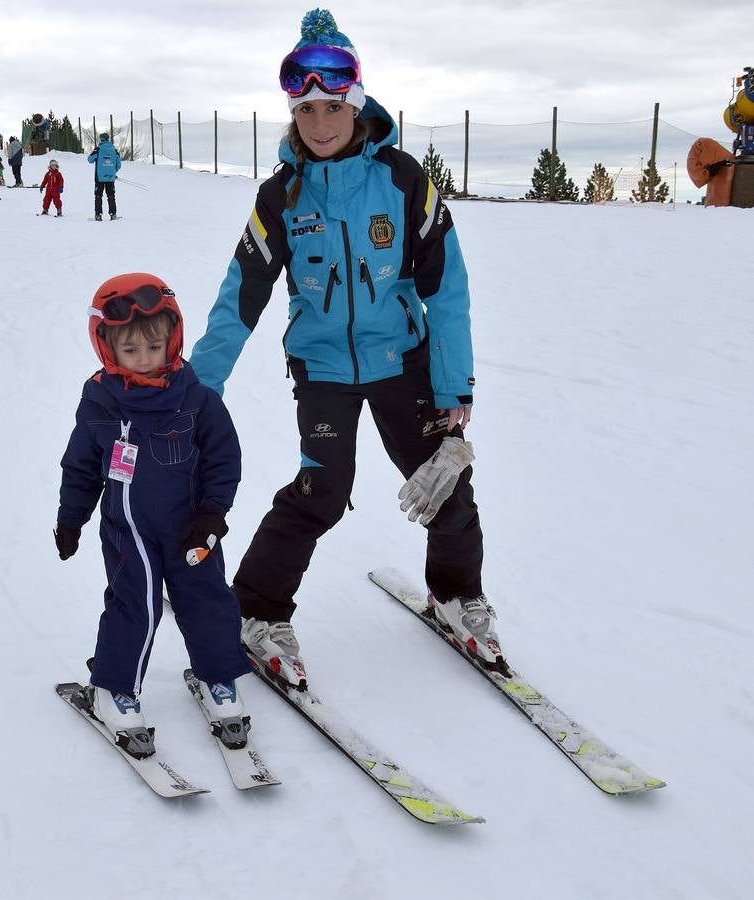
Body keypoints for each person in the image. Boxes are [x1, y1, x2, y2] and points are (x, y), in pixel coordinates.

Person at [188, 8, 505, 690]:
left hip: (403, 363)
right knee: (320, 493)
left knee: (449, 489)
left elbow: (445, 291)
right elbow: (238, 297)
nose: (320, 124)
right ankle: (256, 612)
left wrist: (454, 390)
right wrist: (195, 391)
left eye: (331, 107)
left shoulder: (403, 180)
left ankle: (454, 596)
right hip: (325, 369)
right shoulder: (281, 196)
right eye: (304, 111)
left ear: (355, 104)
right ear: (291, 116)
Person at [55, 273, 251, 751]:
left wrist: (212, 516)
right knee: (133, 607)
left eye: (155, 346)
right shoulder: (100, 402)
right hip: (130, 532)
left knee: (208, 601)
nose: (145, 359)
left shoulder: (197, 399)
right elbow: (81, 465)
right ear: (108, 350)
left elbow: (224, 460)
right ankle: (114, 686)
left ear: (172, 340)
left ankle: (217, 676)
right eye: (131, 350)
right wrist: (70, 518)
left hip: (191, 530)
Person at [88, 132, 121, 220]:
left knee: (98, 196)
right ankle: (113, 214)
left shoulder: (98, 149)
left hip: (99, 178)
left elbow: (90, 160)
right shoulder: (114, 149)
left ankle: (98, 215)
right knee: (111, 196)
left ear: (101, 139)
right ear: (108, 139)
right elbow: (119, 164)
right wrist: (114, 171)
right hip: (111, 177)